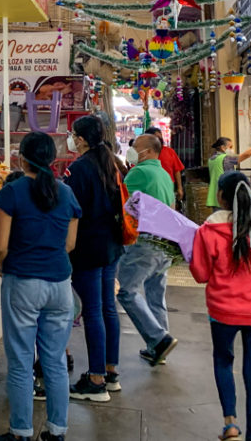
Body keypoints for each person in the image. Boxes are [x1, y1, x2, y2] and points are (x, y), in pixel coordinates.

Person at [0, 132, 81, 441]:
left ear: (21, 158)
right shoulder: (67, 194)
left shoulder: (12, 193)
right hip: (60, 286)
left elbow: (0, 246)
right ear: (52, 160)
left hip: (23, 283)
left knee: (20, 361)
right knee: (54, 361)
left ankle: (21, 432)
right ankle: (57, 432)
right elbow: (69, 244)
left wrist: (3, 265)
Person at [190, 171, 251, 441]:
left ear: (221, 197)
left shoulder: (208, 231)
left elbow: (200, 274)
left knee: (223, 361)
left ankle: (230, 423)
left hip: (223, 311)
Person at [65, 115, 126, 403]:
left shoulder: (79, 168)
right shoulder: (111, 162)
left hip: (88, 247)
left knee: (92, 312)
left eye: (73, 134)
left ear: (80, 138)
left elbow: (73, 210)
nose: (71, 138)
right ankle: (110, 372)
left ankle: (97, 379)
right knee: (106, 308)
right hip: (111, 245)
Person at [117, 134, 179, 367]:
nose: (132, 150)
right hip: (165, 243)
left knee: (126, 291)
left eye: (135, 147)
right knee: (155, 293)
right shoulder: (163, 174)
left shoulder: (139, 173)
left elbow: (122, 204)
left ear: (150, 152)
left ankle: (158, 338)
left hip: (145, 243)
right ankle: (158, 347)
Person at [207, 135, 251, 211]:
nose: (232, 149)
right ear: (223, 148)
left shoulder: (212, 159)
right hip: (226, 198)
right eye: (230, 147)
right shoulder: (226, 158)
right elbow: (246, 155)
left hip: (216, 198)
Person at [145, 126, 185, 211]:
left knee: (170, 214)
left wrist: (179, 188)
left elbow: (177, 170)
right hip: (151, 191)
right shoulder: (144, 153)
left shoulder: (170, 152)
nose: (160, 138)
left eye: (160, 136)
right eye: (157, 136)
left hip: (169, 190)